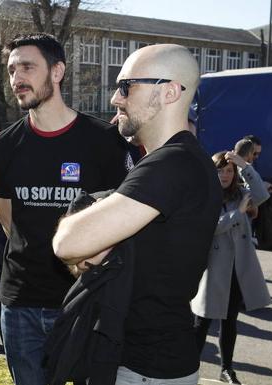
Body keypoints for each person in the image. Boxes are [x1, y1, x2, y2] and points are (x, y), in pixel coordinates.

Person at [53, 44, 222, 385]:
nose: (116, 99)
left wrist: (88, 236)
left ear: (170, 92)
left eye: (126, 86)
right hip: (153, 362)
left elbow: (68, 243)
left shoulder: (171, 164)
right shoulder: (179, 161)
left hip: (144, 369)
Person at [0, 33, 132, 385]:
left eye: (28, 67)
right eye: (12, 69)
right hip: (21, 303)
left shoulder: (104, 142)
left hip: (85, 300)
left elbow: (123, 221)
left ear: (57, 71)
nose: (17, 78)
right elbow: (8, 222)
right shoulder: (3, 147)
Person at [191, 151, 271, 384]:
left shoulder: (241, 193)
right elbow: (212, 228)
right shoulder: (204, 195)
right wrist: (239, 213)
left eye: (229, 171)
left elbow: (262, 194)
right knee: (201, 322)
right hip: (213, 268)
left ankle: (227, 369)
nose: (225, 175)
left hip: (238, 268)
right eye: (220, 170)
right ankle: (189, 368)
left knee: (229, 322)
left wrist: (244, 164)